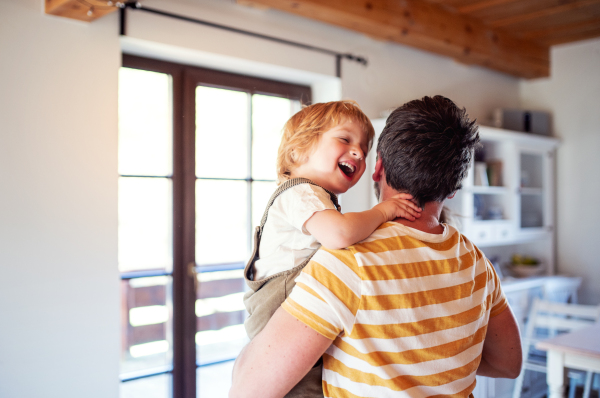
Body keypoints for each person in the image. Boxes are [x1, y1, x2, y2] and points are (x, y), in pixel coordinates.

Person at [231, 96, 523, 398]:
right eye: (345, 139)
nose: (356, 152)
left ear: (378, 166)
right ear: (451, 190)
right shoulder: (475, 262)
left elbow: (248, 390)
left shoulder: (348, 262)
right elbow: (508, 364)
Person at [242, 100, 422, 397]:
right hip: (278, 314)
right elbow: (340, 234)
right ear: (299, 148)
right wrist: (384, 211)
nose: (358, 153)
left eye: (364, 150)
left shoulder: (314, 198)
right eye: (345, 139)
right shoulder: (300, 192)